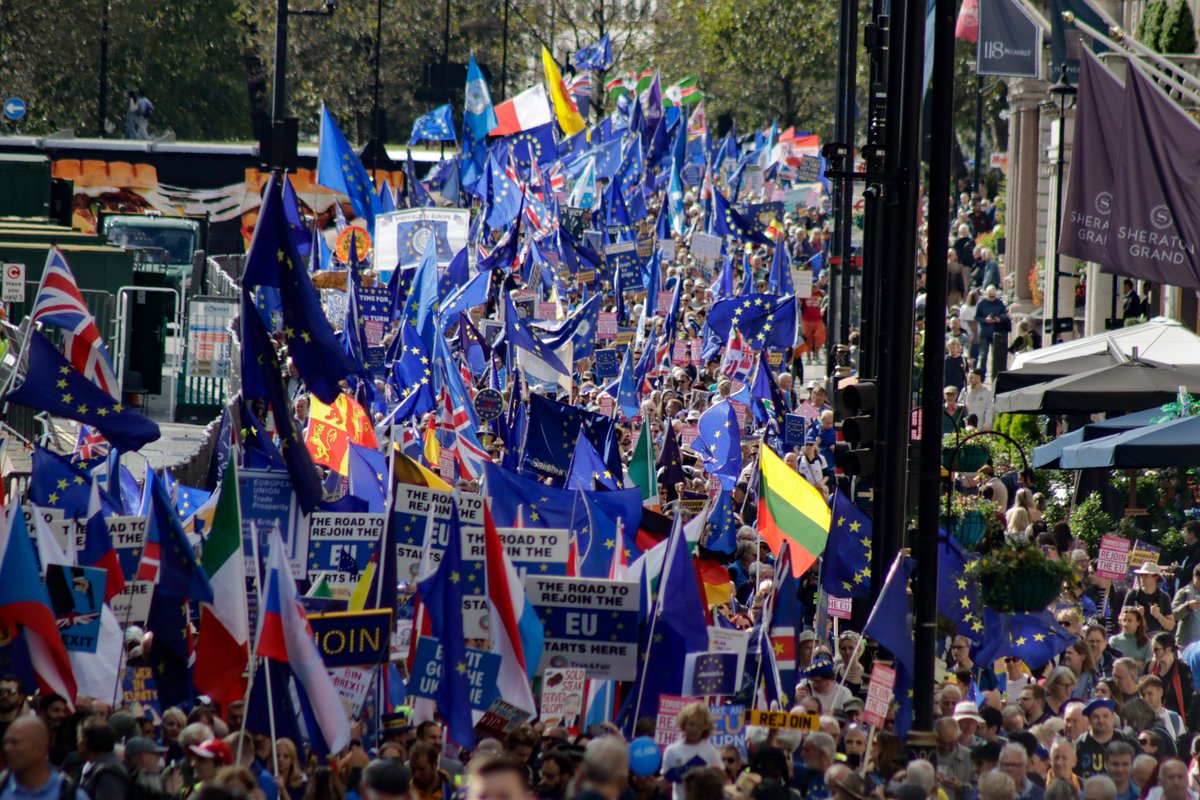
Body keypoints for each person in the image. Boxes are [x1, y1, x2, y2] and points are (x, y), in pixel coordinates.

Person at [0, 718, 89, 800]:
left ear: (40, 748)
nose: (7, 748)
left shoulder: (71, 795)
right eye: (5, 742)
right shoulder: (3, 788)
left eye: (15, 742)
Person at [662, 702, 721, 800]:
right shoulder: (671, 751)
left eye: (700, 726)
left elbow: (720, 778)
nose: (694, 729)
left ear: (705, 728)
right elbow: (665, 780)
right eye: (692, 724)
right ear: (684, 724)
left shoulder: (711, 751)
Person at [1074, 698, 1137, 779]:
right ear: (1089, 720)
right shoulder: (1079, 745)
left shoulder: (1127, 742)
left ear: (1112, 718)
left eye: (1105, 716)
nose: (1101, 720)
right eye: (1096, 716)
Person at [1147, 632, 1193, 726]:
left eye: (1156, 649)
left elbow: (1188, 698)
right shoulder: (1151, 667)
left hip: (1176, 719)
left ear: (1168, 650)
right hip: (1153, 718)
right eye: (1152, 648)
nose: (1153, 652)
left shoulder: (1182, 669)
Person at [78, 719, 130, 800]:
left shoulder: (108, 774)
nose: (77, 743)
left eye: (78, 738)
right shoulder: (95, 766)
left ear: (84, 743)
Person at [1123, 563, 1175, 634]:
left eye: (1146, 576)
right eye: (1141, 575)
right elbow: (1121, 620)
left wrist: (1159, 616)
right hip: (1135, 637)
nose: (1142, 578)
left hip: (1154, 640)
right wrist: (1135, 615)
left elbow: (1170, 626)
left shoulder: (1163, 597)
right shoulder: (1132, 595)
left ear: (1155, 578)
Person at [934, 718, 974, 800]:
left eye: (951, 743)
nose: (946, 747)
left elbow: (979, 790)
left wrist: (961, 786)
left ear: (957, 738)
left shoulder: (970, 757)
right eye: (942, 742)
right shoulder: (927, 755)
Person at [974, 286, 1009, 377]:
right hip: (985, 333)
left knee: (996, 356)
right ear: (987, 295)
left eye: (993, 296)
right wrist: (985, 319)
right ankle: (981, 376)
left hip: (996, 332)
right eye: (990, 296)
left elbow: (1004, 315)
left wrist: (999, 318)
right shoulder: (981, 304)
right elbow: (976, 317)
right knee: (983, 356)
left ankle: (995, 376)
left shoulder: (999, 303)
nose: (992, 298)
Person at [1171, 562, 1200, 649]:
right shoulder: (1184, 592)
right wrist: (1188, 606)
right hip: (1186, 645)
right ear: (1194, 577)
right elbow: (1173, 615)